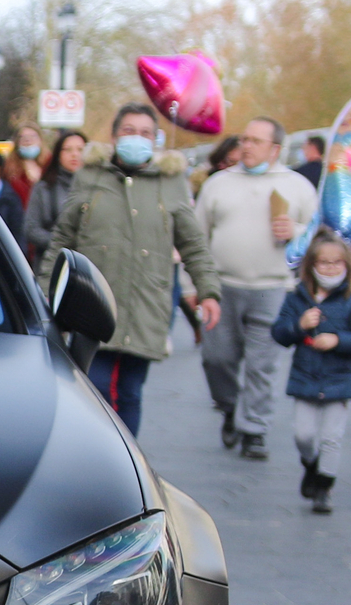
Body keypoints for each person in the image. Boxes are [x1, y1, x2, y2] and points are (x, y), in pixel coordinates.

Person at [44, 102, 223, 434]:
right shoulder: (90, 176)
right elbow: (62, 238)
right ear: (114, 136)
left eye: (144, 133)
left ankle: (128, 468)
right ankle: (95, 459)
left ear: (155, 139)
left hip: (146, 303)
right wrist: (44, 292)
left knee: (129, 392)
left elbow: (193, 243)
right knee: (92, 388)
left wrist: (208, 291)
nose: (136, 138)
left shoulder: (170, 181)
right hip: (94, 304)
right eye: (128, 131)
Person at [195, 115, 317, 460]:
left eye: (255, 141)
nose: (246, 146)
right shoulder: (218, 183)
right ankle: (231, 407)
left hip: (274, 288)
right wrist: (195, 286)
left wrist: (295, 231)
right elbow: (196, 236)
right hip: (222, 286)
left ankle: (255, 429)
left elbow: (319, 238)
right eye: (244, 139)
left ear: (275, 148)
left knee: (262, 364)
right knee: (216, 358)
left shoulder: (297, 186)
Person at [272, 233, 351, 515]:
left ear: (347, 265)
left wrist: (338, 340)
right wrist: (299, 325)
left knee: (332, 436)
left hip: (340, 379)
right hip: (306, 376)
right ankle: (311, 465)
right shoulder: (297, 297)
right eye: (324, 263)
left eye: (336, 263)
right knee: (303, 435)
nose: (330, 268)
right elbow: (279, 333)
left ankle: (324, 488)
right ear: (311, 265)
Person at [21, 130, 85, 262]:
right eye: (67, 150)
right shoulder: (44, 188)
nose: (75, 154)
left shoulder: (97, 188)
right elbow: (31, 229)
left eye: (80, 149)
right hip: (51, 262)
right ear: (58, 155)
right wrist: (62, 243)